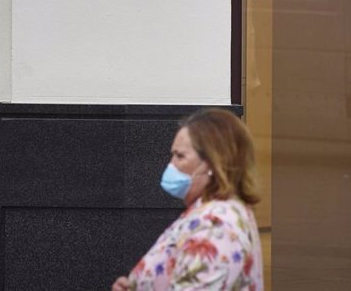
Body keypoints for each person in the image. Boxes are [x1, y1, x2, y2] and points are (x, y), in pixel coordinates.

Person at [111, 108, 264, 291]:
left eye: (180, 156)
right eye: (173, 155)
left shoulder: (215, 225)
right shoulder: (213, 211)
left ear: (213, 163)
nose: (171, 165)